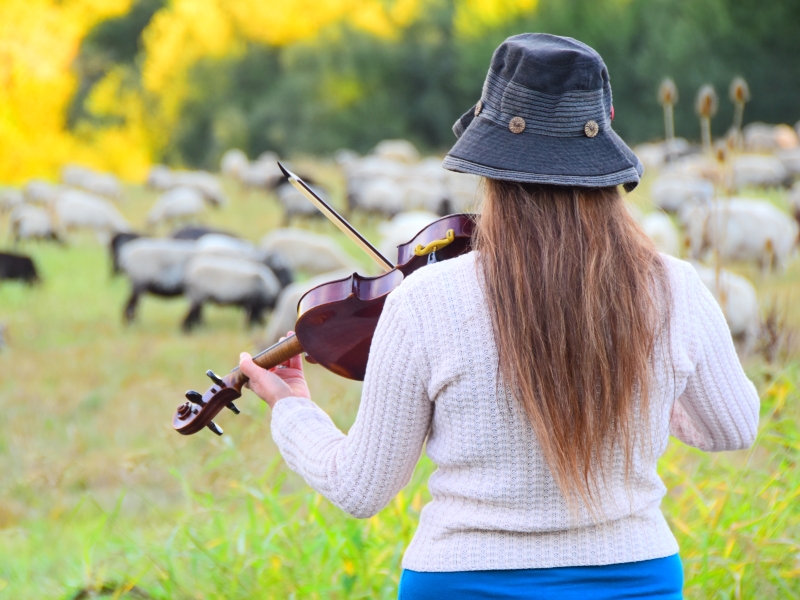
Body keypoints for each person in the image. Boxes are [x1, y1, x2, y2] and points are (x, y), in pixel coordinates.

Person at [239, 33, 760, 600]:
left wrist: (293, 412)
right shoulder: (676, 288)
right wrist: (649, 389)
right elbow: (733, 428)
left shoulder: (426, 300)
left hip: (462, 582)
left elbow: (361, 489)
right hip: (634, 580)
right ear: (604, 157)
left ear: (490, 164)